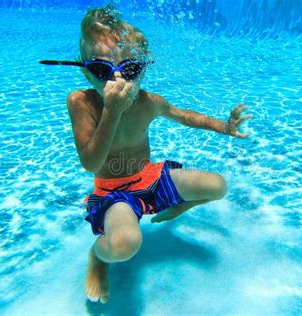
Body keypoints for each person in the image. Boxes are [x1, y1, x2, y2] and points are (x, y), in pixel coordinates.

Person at [40, 4, 252, 303]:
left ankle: (177, 205)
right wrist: (112, 112)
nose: (116, 81)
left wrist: (224, 127)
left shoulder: (148, 102)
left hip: (150, 177)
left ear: (142, 69)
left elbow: (183, 115)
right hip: (114, 192)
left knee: (217, 185)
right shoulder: (82, 102)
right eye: (102, 70)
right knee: (125, 245)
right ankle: (98, 256)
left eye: (129, 69)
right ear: (87, 74)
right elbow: (91, 163)